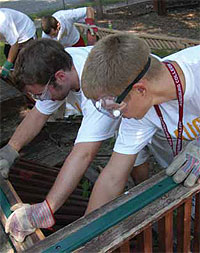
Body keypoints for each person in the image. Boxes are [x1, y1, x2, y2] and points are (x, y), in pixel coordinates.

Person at [2, 38, 120, 242]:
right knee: (133, 156)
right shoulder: (60, 65)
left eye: (40, 94)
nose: (41, 100)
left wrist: (47, 209)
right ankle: (140, 186)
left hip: (156, 111)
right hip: (124, 111)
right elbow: (38, 114)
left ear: (60, 77)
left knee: (164, 158)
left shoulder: (98, 90)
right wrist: (10, 150)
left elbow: (84, 153)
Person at [81, 32, 200, 214]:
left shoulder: (197, 69)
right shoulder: (140, 109)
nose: (116, 115)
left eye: (113, 106)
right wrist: (85, 232)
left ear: (140, 89)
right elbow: (113, 176)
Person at [0, 8, 36, 78]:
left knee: (27, 65)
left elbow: (14, 45)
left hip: (25, 33)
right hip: (12, 37)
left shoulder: (3, 23)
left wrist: (7, 66)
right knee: (12, 63)